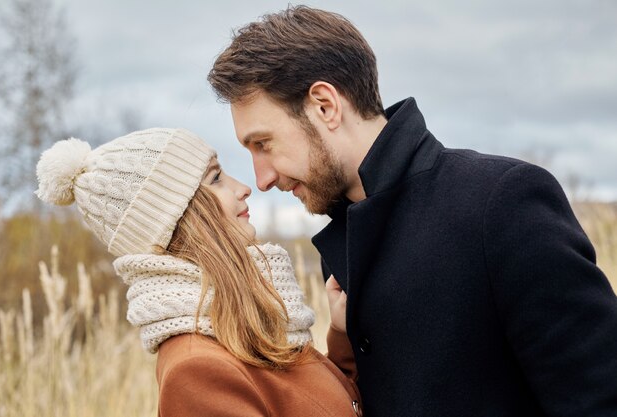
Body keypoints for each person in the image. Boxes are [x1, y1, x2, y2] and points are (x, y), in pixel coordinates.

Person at [207, 5, 617, 417]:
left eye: (263, 144)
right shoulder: (344, 240)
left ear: (325, 106)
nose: (261, 179)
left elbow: (598, 398)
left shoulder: (502, 201)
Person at [35, 127, 362, 417]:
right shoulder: (197, 370)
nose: (244, 188)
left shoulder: (244, 322)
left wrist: (342, 335)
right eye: (216, 178)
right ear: (178, 218)